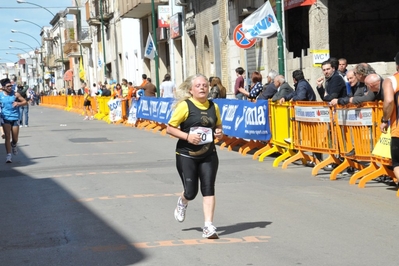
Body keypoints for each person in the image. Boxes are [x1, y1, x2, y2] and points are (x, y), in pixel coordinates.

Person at [166, 74, 223, 239]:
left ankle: (208, 226)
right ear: (191, 90)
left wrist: (219, 132)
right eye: (198, 85)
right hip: (187, 154)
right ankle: (183, 201)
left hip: (208, 154)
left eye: (205, 85)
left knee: (208, 189)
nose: (202, 88)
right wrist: (188, 137)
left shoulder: (214, 106)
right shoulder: (185, 106)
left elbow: (218, 124)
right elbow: (170, 128)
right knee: (191, 192)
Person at [380, 52, 399, 189]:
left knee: (397, 162)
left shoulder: (392, 80)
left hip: (398, 129)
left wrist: (384, 119)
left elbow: (389, 100)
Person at [0, 78, 28, 163]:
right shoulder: (0, 95)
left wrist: (18, 103)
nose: (10, 87)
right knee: (7, 137)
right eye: (8, 86)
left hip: (15, 118)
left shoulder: (15, 94)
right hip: (5, 118)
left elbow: (25, 102)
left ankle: (14, 144)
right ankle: (8, 155)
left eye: (11, 85)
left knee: (15, 138)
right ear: (4, 87)